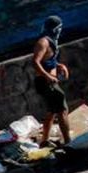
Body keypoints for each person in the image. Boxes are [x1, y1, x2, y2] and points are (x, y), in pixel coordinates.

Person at [32, 15, 71, 146]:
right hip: (46, 82)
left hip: (49, 81)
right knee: (62, 110)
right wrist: (47, 76)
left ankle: (44, 140)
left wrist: (59, 66)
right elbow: (35, 62)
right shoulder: (43, 42)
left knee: (52, 111)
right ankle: (68, 142)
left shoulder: (51, 42)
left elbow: (48, 60)